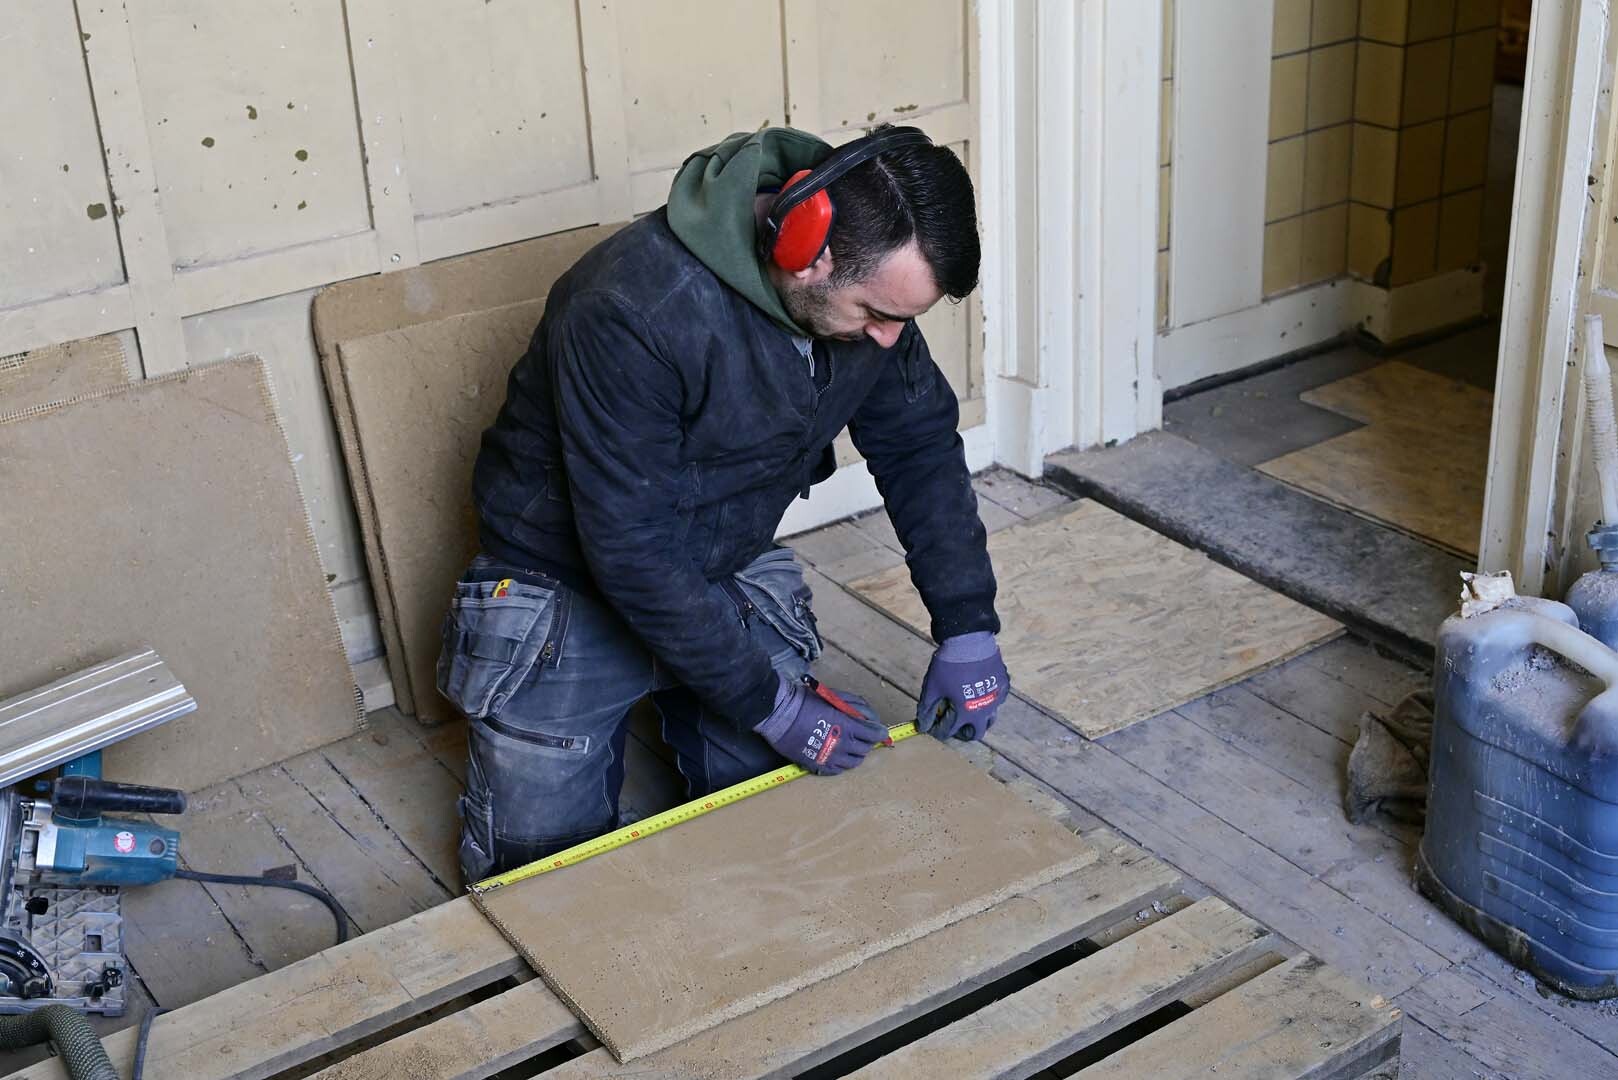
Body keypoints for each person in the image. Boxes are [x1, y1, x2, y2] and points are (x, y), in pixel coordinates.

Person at [438, 124, 1009, 884]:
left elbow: (919, 449)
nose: (886, 338)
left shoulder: (874, 308)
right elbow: (631, 547)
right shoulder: (630, 306)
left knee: (794, 827)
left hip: (722, 562)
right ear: (806, 249)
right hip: (564, 581)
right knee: (544, 877)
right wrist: (772, 705)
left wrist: (968, 624)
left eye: (902, 320)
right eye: (874, 311)